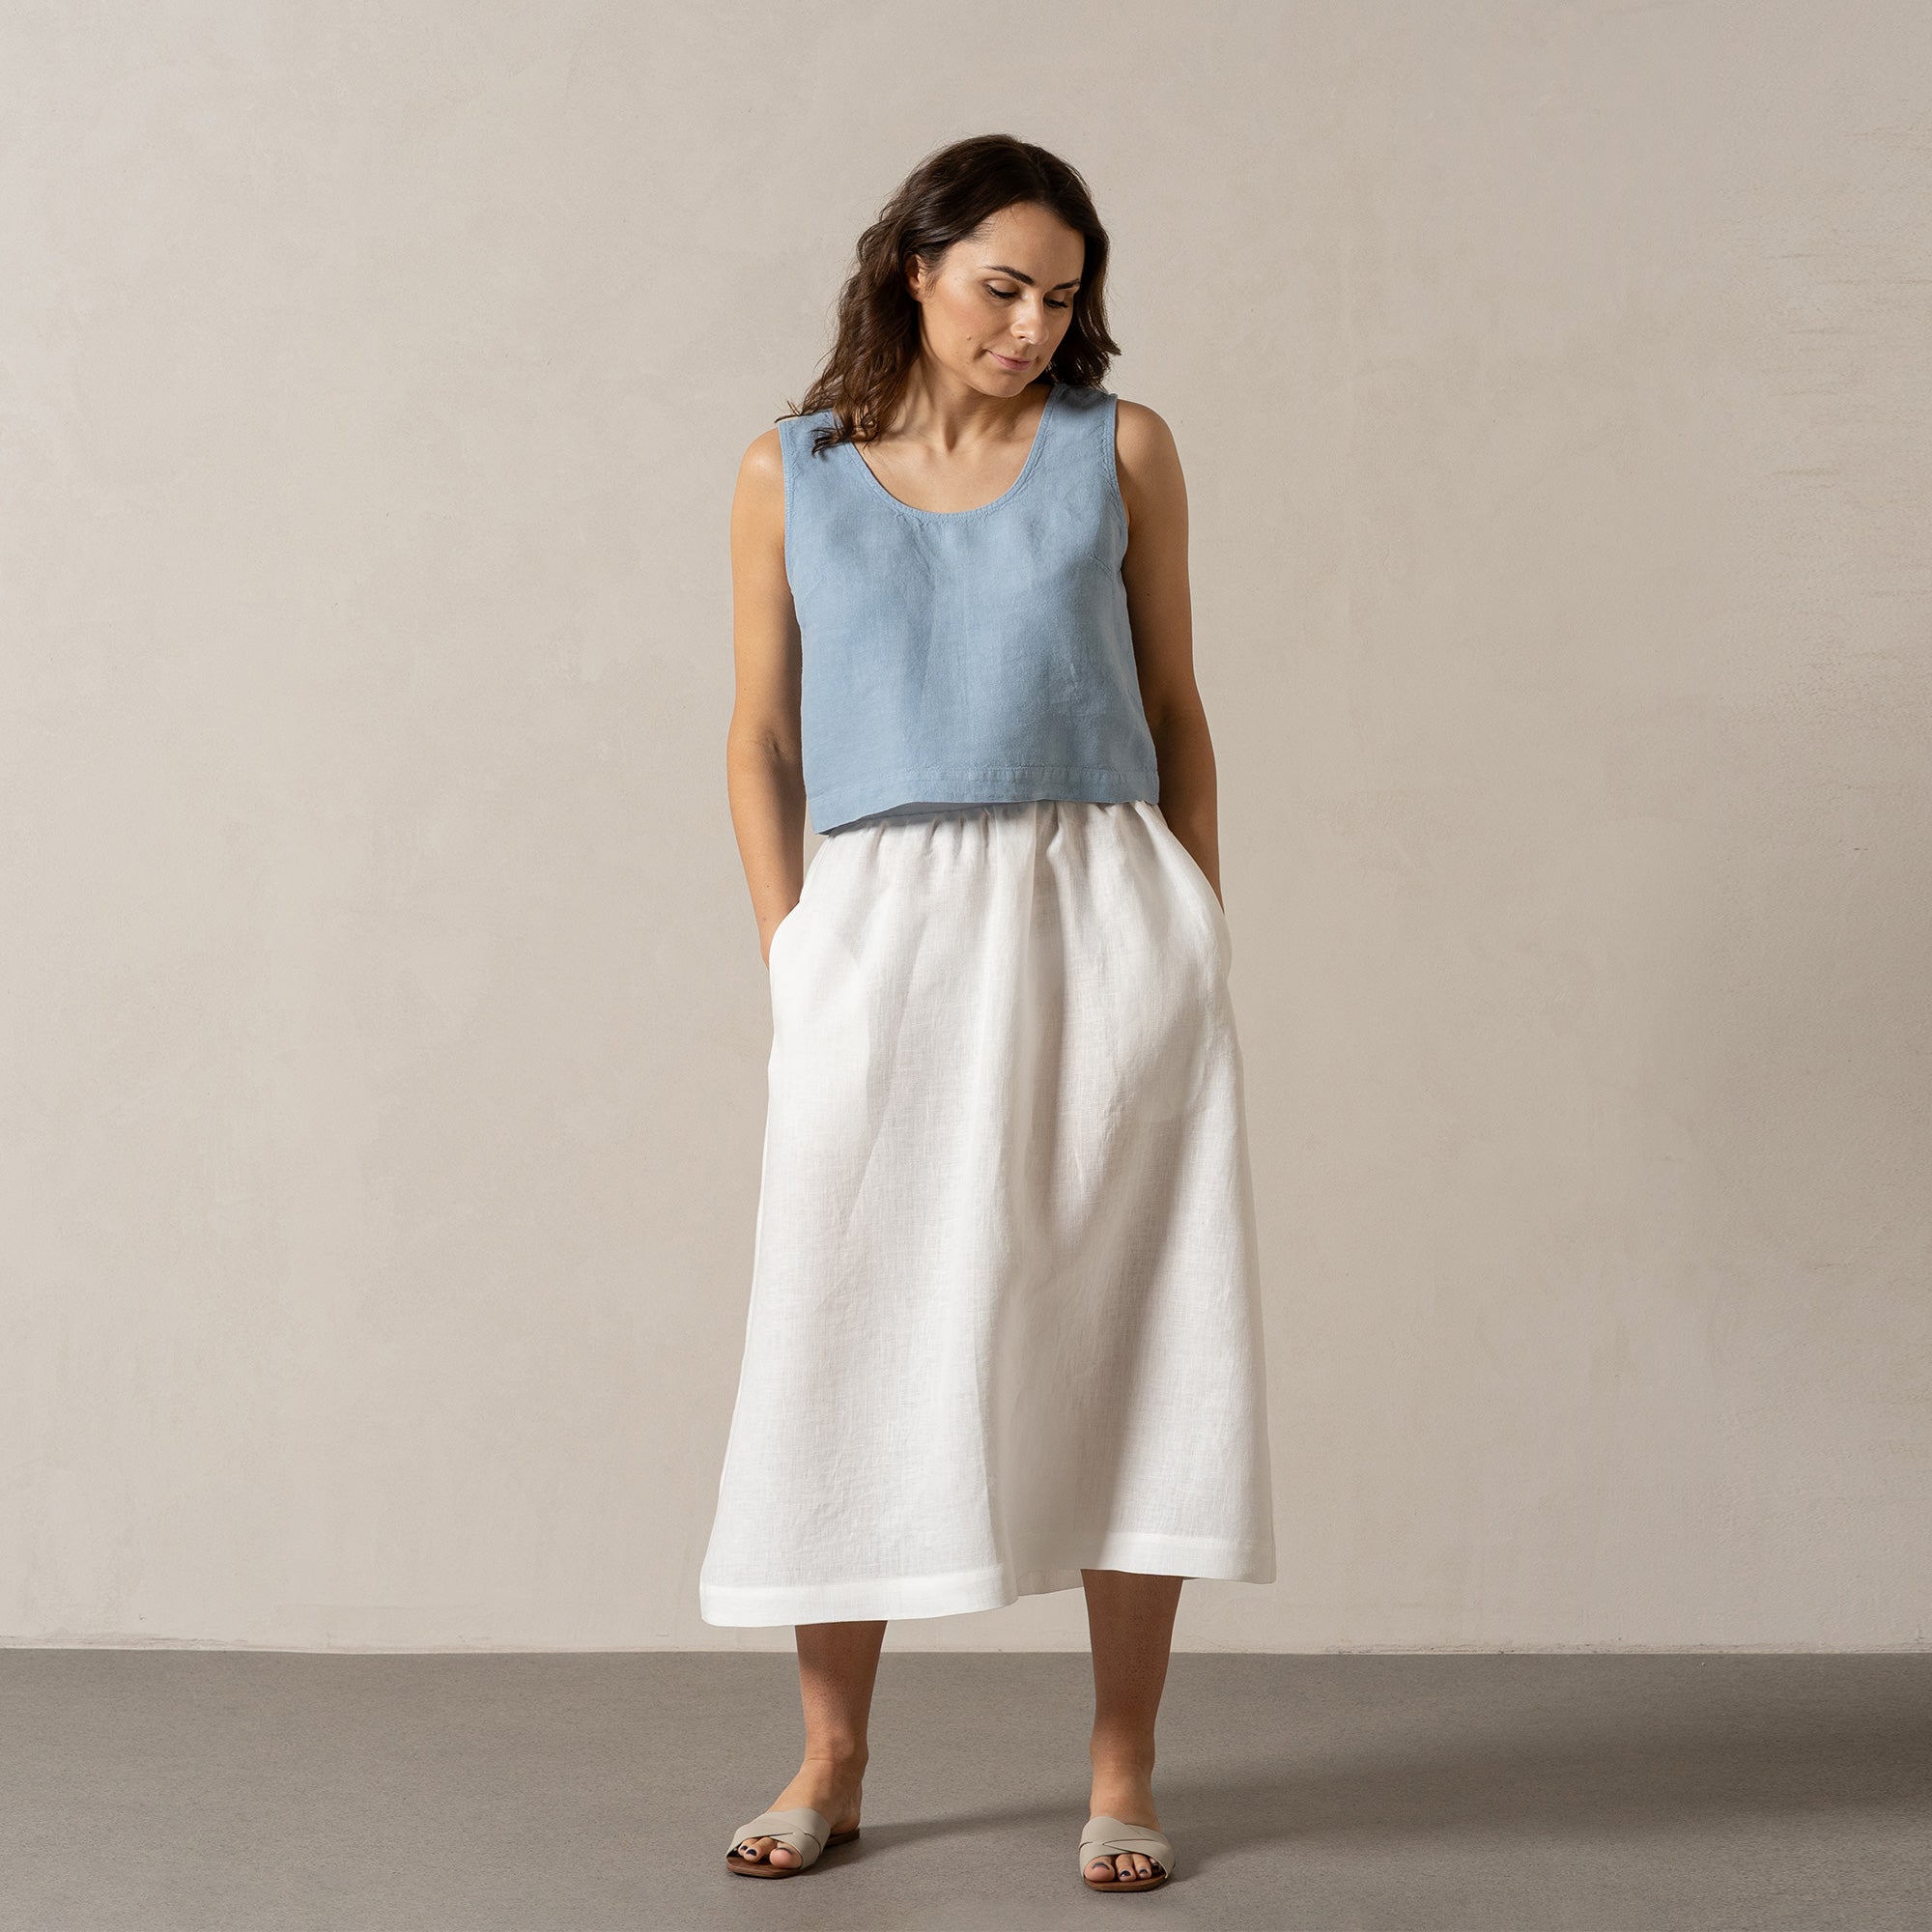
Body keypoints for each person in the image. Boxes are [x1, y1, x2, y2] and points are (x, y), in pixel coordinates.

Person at [700, 132, 1275, 1896]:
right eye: (1001, 288)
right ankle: (832, 1756)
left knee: (1136, 1323)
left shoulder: (1125, 449)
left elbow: (1177, 707)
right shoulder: (791, 469)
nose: (1031, 327)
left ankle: (1123, 1767)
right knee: (846, 1322)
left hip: (1102, 909)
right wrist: (796, 956)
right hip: (881, 929)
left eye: (1062, 297)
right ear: (916, 270)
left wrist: (1194, 927)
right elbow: (759, 737)